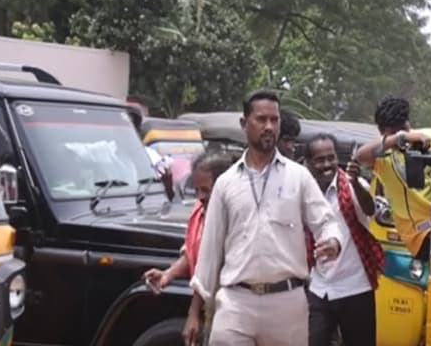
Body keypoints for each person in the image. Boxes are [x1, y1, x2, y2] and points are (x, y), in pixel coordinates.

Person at [190, 91, 344, 346]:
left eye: (275, 120)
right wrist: (194, 313)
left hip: (287, 304)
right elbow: (209, 252)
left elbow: (326, 221)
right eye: (261, 119)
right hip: (236, 303)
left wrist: (333, 241)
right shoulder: (226, 183)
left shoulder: (299, 177)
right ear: (244, 124)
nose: (269, 126)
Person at [142, 151, 235, 346]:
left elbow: (209, 268)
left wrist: (193, 313)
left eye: (206, 190)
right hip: (211, 308)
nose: (200, 197)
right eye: (197, 190)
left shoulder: (235, 218)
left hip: (233, 310)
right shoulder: (200, 211)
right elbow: (194, 253)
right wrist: (168, 275)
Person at [303, 134, 381, 346]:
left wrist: (355, 183)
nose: (327, 164)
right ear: (308, 163)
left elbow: (369, 209)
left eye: (331, 157)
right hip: (319, 287)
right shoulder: (303, 192)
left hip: (355, 287)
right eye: (320, 160)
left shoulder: (353, 185)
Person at [354, 95, 431, 261]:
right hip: (418, 233)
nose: (404, 137)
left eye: (404, 128)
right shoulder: (381, 157)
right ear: (383, 133)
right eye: (394, 132)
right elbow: (360, 156)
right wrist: (400, 138)